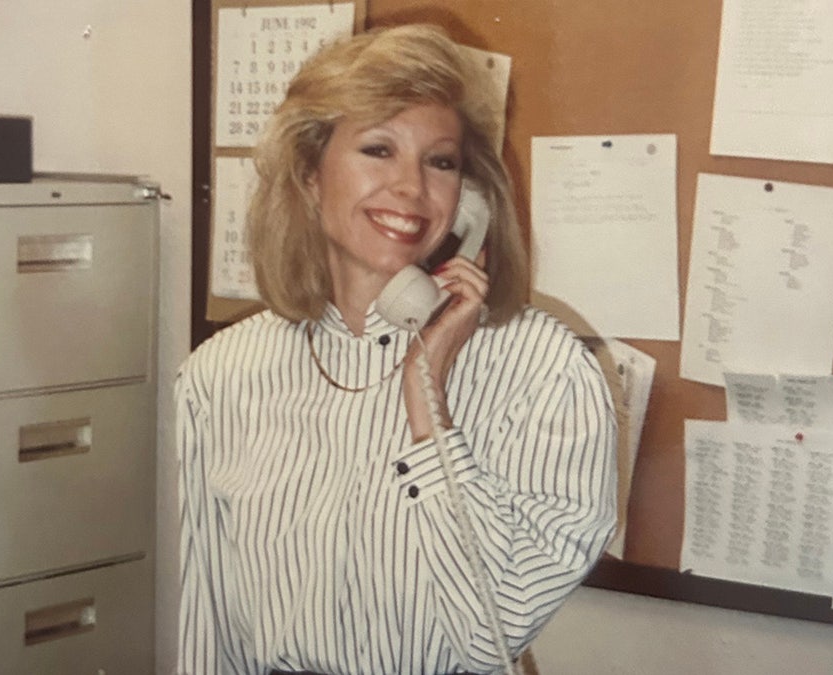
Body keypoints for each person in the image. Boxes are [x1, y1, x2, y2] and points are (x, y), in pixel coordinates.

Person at [177, 24, 617, 675]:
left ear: (468, 197)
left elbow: (491, 632)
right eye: (378, 149)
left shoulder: (545, 373)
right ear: (308, 175)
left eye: (440, 161)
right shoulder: (221, 375)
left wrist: (426, 399)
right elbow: (202, 625)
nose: (412, 187)